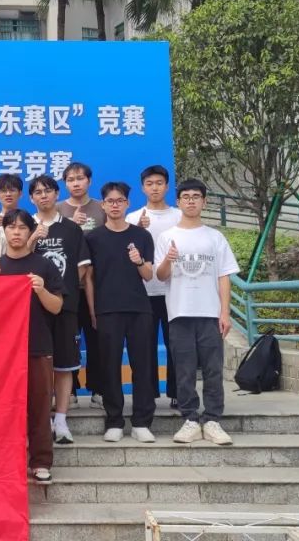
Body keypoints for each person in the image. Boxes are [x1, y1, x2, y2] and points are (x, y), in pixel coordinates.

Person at [154, 179, 240, 446]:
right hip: (179, 313)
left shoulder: (215, 237)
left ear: (204, 201)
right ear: (178, 202)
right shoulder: (167, 236)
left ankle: (212, 419)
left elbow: (224, 276)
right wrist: (168, 259)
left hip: (209, 313)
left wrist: (224, 313)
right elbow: (160, 275)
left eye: (196, 196)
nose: (191, 201)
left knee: (213, 369)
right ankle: (190, 419)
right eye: (186, 197)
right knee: (184, 370)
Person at [0, 209, 63, 485]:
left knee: (40, 406)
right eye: (11, 227)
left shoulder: (44, 266)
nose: (16, 232)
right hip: (1, 352)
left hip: (37, 347)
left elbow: (57, 307)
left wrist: (41, 290)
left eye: (21, 228)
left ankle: (41, 461)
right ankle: (4, 459)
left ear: (30, 232)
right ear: (4, 231)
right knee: (2, 408)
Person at [84, 182, 157, 443]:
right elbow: (89, 278)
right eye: (110, 201)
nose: (115, 205)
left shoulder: (142, 236)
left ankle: (141, 422)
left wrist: (139, 261)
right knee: (109, 366)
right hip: (107, 310)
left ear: (127, 204)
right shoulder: (93, 238)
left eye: (120, 201)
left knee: (142, 366)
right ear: (103, 205)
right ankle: (114, 420)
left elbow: (148, 275)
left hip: (139, 309)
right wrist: (93, 310)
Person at [28, 175, 90, 444]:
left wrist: (61, 289)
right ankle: (40, 419)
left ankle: (62, 420)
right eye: (37, 192)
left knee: (64, 365)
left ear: (56, 194)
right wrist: (32, 238)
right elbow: (17, 258)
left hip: (65, 307)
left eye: (48, 190)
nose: (43, 195)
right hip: (32, 309)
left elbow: (82, 267)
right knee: (36, 366)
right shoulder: (25, 225)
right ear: (31, 198)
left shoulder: (72, 229)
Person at [127, 165, 183, 407]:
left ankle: (177, 392)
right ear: (143, 188)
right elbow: (126, 252)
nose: (155, 188)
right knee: (144, 345)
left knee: (176, 344)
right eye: (149, 184)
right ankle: (148, 394)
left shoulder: (179, 216)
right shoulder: (132, 218)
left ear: (167, 186)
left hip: (173, 291)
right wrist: (138, 230)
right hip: (143, 292)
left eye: (159, 183)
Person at [59, 162, 107, 408]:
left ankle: (98, 388)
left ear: (89, 180)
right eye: (70, 179)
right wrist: (71, 225)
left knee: (97, 337)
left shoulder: (102, 208)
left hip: (98, 286)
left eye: (80, 178)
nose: (76, 183)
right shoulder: (58, 210)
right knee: (68, 340)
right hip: (67, 287)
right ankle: (71, 391)